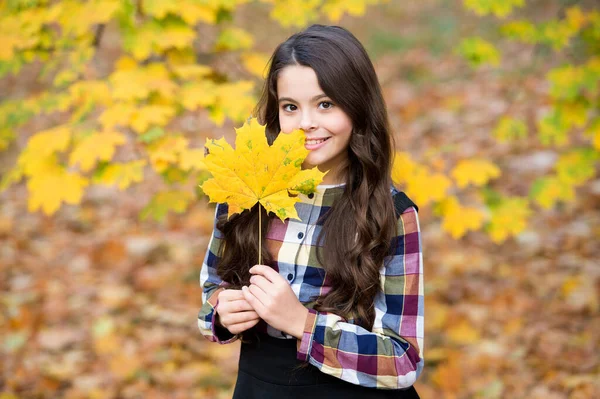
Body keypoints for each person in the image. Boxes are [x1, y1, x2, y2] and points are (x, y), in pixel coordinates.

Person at [198, 24, 424, 398]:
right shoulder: (245, 191)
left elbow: (403, 360)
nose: (306, 123)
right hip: (261, 386)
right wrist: (222, 312)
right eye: (290, 107)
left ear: (358, 105)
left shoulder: (391, 214)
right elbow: (211, 289)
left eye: (325, 104)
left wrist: (302, 323)